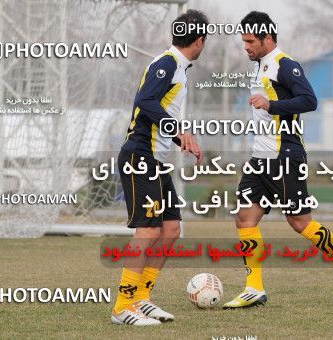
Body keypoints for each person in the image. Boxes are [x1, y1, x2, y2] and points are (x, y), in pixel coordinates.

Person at [223, 11, 333, 309]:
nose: (245, 46)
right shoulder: (260, 66)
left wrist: (271, 104)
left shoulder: (286, 65)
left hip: (285, 156)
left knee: (299, 222)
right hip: (260, 157)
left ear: (267, 38)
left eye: (249, 41)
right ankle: (254, 288)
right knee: (245, 218)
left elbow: (309, 100)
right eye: (243, 41)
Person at [111, 9, 208, 326]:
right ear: (200, 40)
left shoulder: (179, 67)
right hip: (140, 156)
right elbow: (145, 101)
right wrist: (178, 131)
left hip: (155, 160)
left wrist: (182, 139)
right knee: (149, 230)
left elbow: (157, 111)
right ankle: (123, 307)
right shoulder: (167, 63)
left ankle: (141, 297)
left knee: (170, 230)